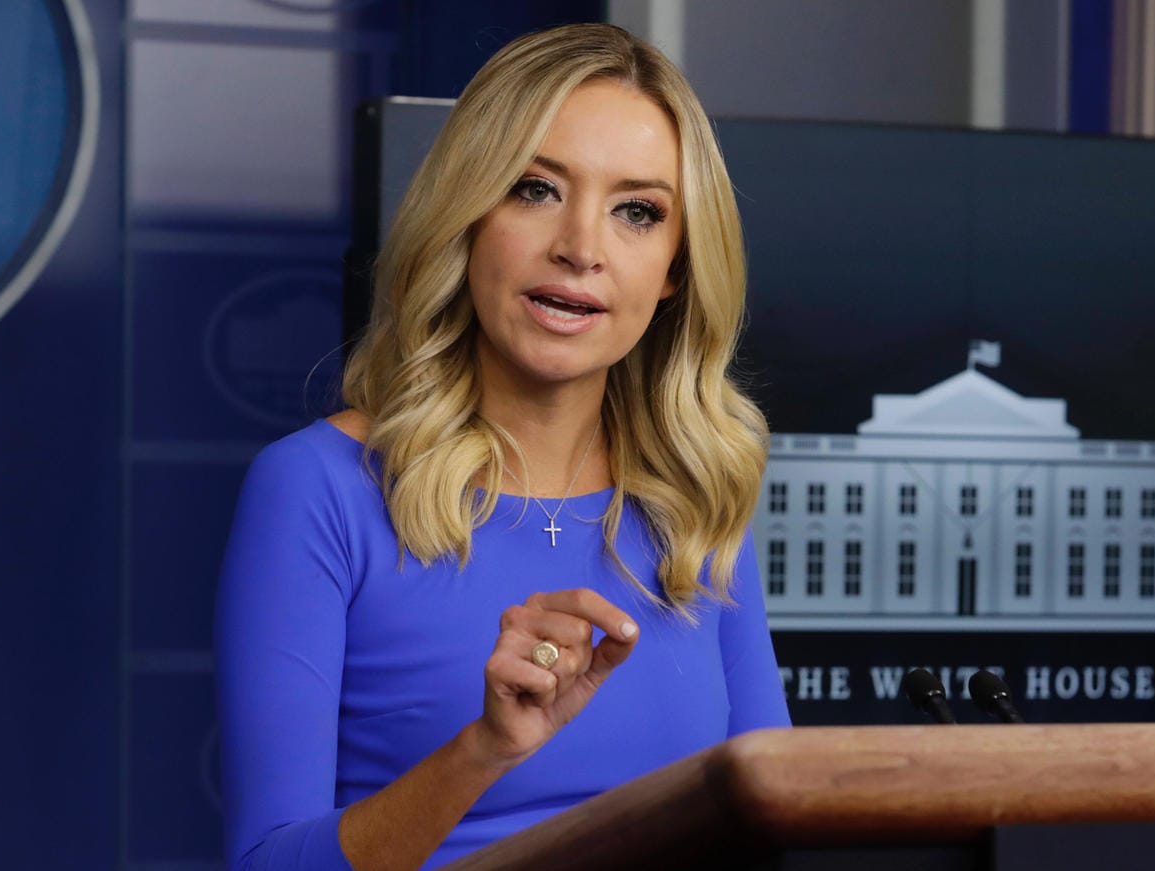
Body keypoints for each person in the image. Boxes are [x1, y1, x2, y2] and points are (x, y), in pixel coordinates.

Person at [216, 22, 790, 871]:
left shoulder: (694, 497)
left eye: (637, 211)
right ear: (467, 214)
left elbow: (779, 822)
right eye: (534, 189)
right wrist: (484, 748)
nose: (581, 248)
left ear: (674, 269)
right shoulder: (319, 487)